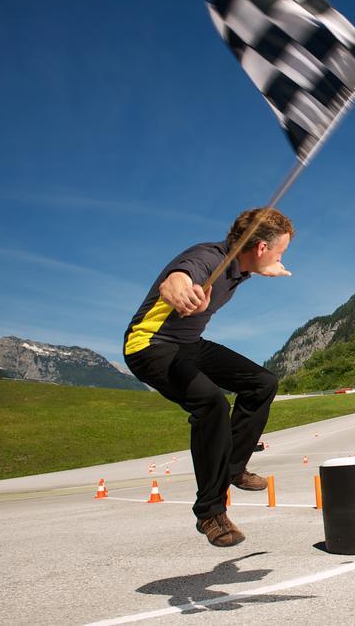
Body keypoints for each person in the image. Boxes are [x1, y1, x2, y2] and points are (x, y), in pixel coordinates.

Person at [123, 207, 294, 548]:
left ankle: (232, 468)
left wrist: (267, 268)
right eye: (281, 250)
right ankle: (210, 512)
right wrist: (179, 289)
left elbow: (251, 262)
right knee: (211, 403)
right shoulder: (207, 259)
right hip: (149, 345)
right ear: (260, 248)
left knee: (263, 382)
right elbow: (178, 278)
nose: (282, 256)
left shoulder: (241, 265)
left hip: (188, 345)